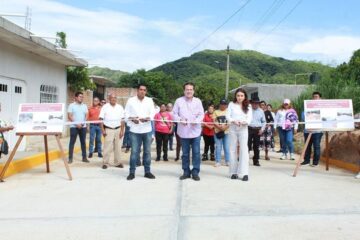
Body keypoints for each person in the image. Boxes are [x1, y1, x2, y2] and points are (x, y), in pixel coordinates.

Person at [173, 82, 204, 181]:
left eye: (191, 89)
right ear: (184, 91)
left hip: (195, 132)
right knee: (185, 153)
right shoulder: (178, 101)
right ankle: (186, 172)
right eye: (187, 89)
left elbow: (201, 114)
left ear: (193, 91)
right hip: (183, 132)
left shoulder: (198, 101)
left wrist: (197, 121)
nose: (189, 91)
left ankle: (195, 172)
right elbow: (174, 114)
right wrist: (180, 120)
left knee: (196, 153)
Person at [125, 84, 156, 180]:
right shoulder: (131, 100)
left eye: (144, 90)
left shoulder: (149, 100)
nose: (142, 91)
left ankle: (147, 172)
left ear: (146, 91)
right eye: (141, 89)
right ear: (137, 90)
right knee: (134, 152)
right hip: (135, 130)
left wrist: (148, 118)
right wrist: (131, 119)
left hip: (147, 130)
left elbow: (153, 113)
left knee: (147, 152)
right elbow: (126, 113)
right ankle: (132, 172)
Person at [226, 88, 252, 181]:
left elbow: (249, 119)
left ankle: (244, 173)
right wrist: (233, 121)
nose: (240, 97)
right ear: (235, 96)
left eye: (241, 96)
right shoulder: (231, 104)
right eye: (238, 95)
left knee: (244, 150)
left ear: (244, 96)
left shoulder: (248, 106)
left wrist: (244, 122)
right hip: (233, 128)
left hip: (243, 129)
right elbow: (228, 116)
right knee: (232, 149)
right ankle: (233, 172)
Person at [99, 94, 125, 169]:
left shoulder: (120, 107)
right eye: (112, 98)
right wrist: (103, 130)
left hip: (118, 129)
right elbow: (100, 119)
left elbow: (123, 120)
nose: (113, 99)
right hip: (108, 129)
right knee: (107, 147)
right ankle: (105, 163)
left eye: (115, 98)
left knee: (118, 147)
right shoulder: (105, 107)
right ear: (109, 99)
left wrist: (122, 130)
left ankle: (117, 162)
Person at [301, 91, 323, 167]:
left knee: (316, 146)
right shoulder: (307, 106)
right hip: (307, 130)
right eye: (313, 97)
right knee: (307, 146)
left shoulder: (323, 108)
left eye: (316, 97)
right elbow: (303, 116)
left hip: (318, 131)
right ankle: (306, 161)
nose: (315, 98)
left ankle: (315, 162)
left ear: (320, 98)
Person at [67, 91, 88, 164]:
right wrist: (76, 124)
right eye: (80, 96)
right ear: (76, 97)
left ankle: (84, 157)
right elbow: (69, 116)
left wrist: (82, 124)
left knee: (83, 142)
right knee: (72, 142)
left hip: (83, 127)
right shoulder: (71, 105)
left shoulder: (84, 106)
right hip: (74, 127)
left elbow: (86, 116)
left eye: (82, 97)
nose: (81, 98)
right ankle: (70, 158)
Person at [248, 96, 266, 166]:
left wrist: (262, 129)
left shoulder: (261, 111)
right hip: (249, 129)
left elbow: (264, 122)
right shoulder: (248, 110)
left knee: (256, 146)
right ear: (251, 103)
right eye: (253, 103)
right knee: (247, 145)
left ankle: (256, 160)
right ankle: (245, 159)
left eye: (256, 103)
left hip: (257, 130)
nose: (255, 104)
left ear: (258, 104)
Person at [213, 99, 230, 167]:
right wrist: (220, 127)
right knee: (218, 147)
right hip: (217, 132)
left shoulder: (229, 111)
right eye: (222, 104)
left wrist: (225, 127)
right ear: (220, 104)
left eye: (225, 104)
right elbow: (214, 121)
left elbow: (230, 121)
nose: (223, 105)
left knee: (226, 147)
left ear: (226, 105)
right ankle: (218, 161)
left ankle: (227, 161)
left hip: (226, 132)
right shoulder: (215, 112)